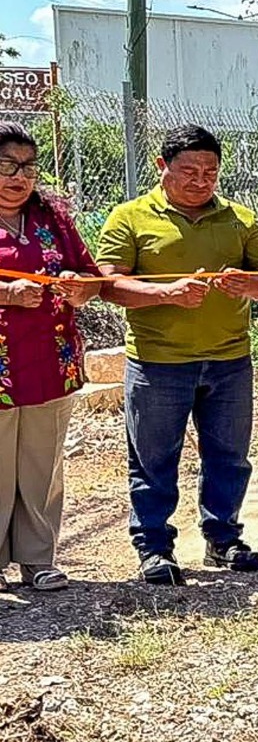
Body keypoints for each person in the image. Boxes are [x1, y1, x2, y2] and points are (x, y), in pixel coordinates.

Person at [96, 124, 258, 585]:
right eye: (189, 171)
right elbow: (108, 284)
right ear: (161, 166)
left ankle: (224, 538)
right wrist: (166, 294)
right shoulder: (130, 217)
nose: (201, 180)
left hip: (229, 360)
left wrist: (248, 284)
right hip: (158, 363)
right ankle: (154, 547)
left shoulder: (239, 218)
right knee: (153, 460)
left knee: (229, 456)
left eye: (210, 172)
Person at [0, 122, 100, 591]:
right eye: (7, 165)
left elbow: (90, 275)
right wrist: (6, 294)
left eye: (28, 167)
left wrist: (81, 289)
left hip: (49, 361)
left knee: (42, 464)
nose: (19, 177)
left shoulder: (52, 218)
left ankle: (38, 559)